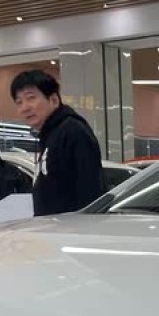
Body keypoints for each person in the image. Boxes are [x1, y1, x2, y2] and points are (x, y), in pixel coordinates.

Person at [10, 69, 106, 215]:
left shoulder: (72, 131)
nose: (25, 107)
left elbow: (89, 190)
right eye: (19, 102)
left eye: (31, 98)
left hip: (72, 226)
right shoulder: (49, 135)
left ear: (54, 100)